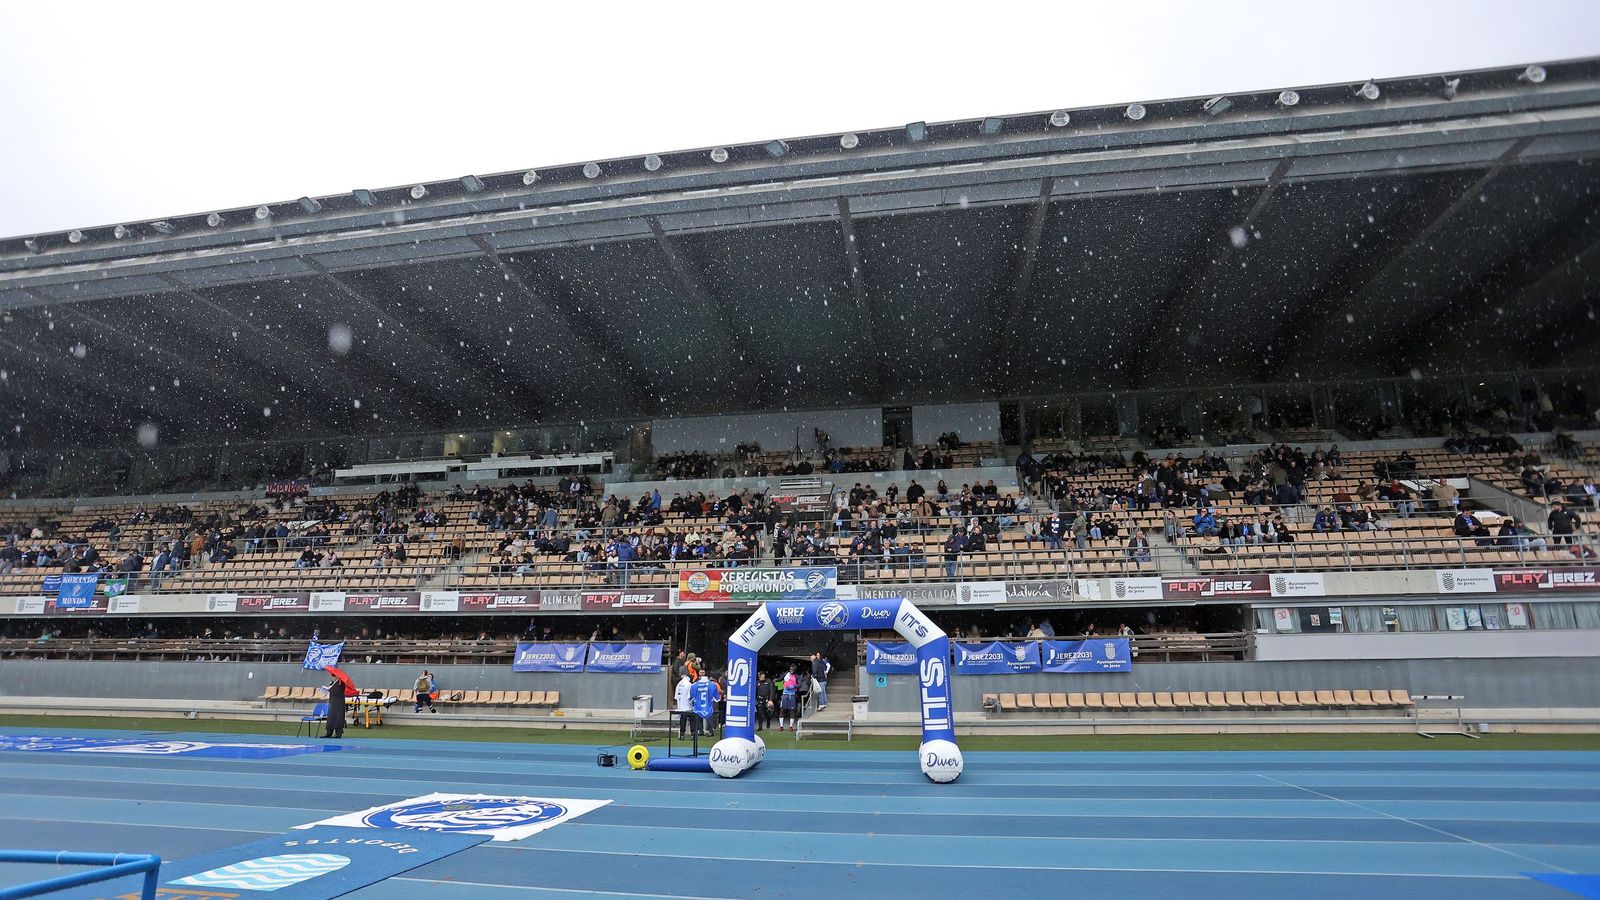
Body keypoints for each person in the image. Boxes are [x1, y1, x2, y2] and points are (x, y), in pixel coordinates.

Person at [689, 670, 720, 737]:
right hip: (708, 704)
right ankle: (709, 731)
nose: (702, 674)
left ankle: (702, 731)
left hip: (698, 704)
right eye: (701, 672)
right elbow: (717, 698)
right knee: (708, 717)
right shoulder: (712, 684)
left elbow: (691, 697)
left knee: (700, 716)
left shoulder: (695, 685)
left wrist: (692, 700)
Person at [674, 672, 694, 738]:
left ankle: (682, 734)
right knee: (692, 720)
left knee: (682, 720)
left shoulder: (678, 684)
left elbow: (676, 697)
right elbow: (690, 696)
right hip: (688, 706)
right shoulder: (689, 684)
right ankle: (692, 734)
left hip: (681, 706)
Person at [778, 667, 799, 731]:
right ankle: (781, 726)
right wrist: (775, 680)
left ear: (795, 670)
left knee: (792, 710)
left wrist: (793, 686)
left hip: (792, 694)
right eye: (790, 669)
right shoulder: (786, 674)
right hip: (785, 694)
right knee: (782, 709)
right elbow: (780, 679)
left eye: (793, 669)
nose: (791, 670)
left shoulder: (796, 676)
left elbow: (799, 684)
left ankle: (790, 726)